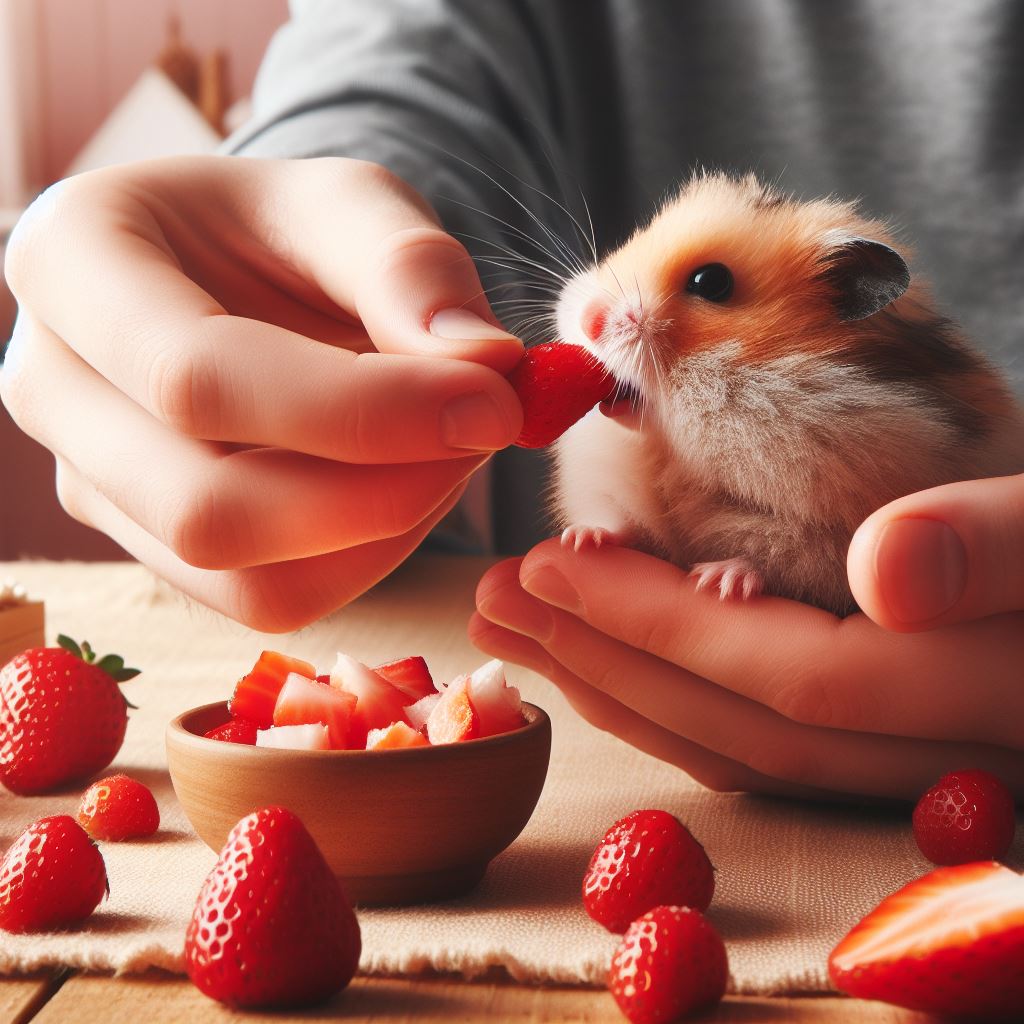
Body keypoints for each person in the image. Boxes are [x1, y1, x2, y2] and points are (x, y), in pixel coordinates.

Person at [1, 1, 1021, 801]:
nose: (609, 297)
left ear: (846, 306)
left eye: (705, 286)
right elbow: (390, 75)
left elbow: (838, 509)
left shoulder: (859, 411)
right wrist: (293, 238)